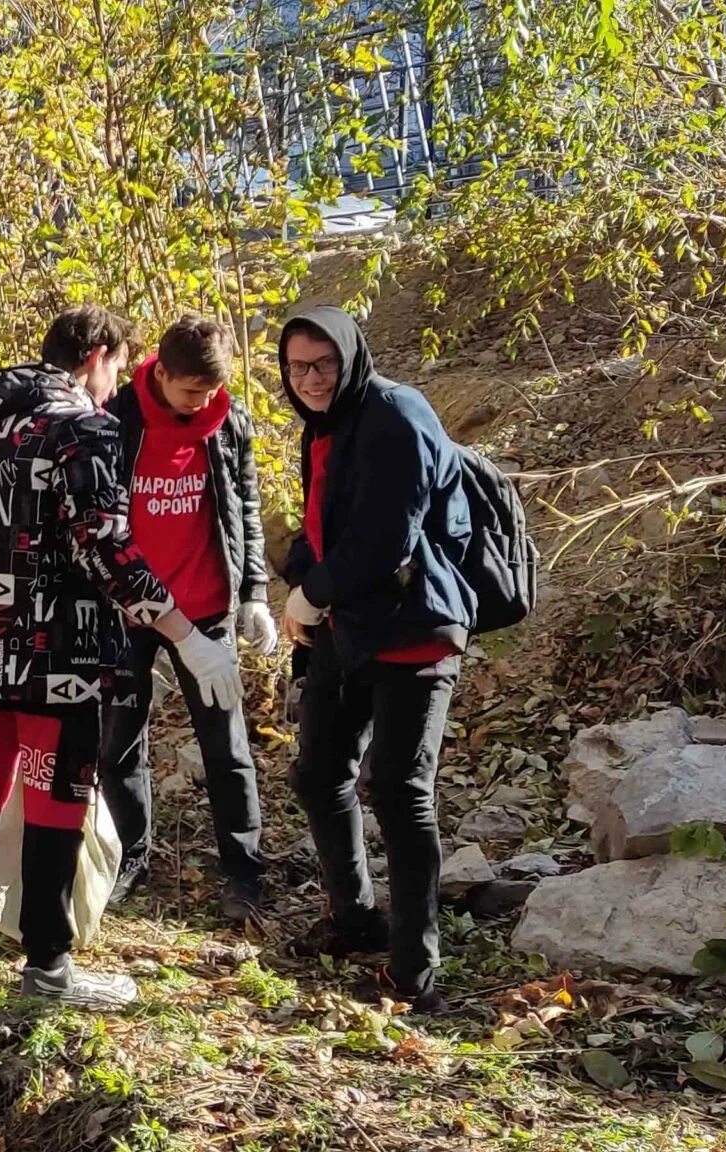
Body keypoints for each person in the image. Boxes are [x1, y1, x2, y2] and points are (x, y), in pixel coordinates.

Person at [0, 306, 245, 1010]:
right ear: (96, 354)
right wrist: (187, 634)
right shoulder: (84, 425)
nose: (115, 387)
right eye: (118, 370)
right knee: (55, 803)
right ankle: (48, 966)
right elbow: (107, 548)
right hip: (54, 653)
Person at [277, 305, 474, 1012]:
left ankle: (414, 972)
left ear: (351, 357)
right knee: (320, 772)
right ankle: (354, 920)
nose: (311, 379)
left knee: (397, 789)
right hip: (349, 628)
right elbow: (316, 526)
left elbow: (389, 539)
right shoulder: (323, 427)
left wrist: (312, 595)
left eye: (323, 363)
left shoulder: (396, 415)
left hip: (416, 629)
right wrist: (299, 582)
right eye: (298, 367)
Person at [97, 318, 275, 922]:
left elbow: (244, 507)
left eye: (208, 394)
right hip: (125, 610)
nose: (199, 404)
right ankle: (130, 857)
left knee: (226, 745)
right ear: (161, 372)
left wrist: (254, 592)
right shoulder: (116, 418)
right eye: (189, 392)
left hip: (205, 610)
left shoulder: (228, 422)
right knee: (118, 742)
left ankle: (244, 872)